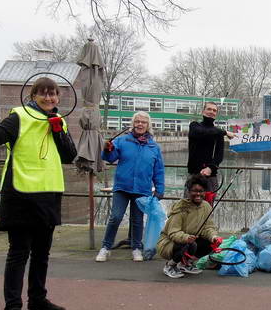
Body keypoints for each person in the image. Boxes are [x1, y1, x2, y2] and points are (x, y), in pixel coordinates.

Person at [0, 77, 77, 310]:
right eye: (43, 94)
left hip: (48, 192)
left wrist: (58, 131)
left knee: (42, 253)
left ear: (59, 97)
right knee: (18, 254)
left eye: (53, 94)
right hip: (21, 193)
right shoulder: (19, 116)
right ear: (34, 96)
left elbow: (69, 156)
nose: (49, 98)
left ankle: (37, 299)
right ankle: (12, 308)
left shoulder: (59, 120)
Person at [95, 111, 165, 262]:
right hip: (122, 187)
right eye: (137, 121)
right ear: (133, 124)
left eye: (143, 122)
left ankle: (136, 248)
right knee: (115, 217)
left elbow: (158, 170)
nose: (140, 124)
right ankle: (105, 247)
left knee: (137, 220)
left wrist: (160, 189)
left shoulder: (154, 147)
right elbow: (110, 158)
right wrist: (107, 149)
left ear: (148, 125)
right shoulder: (122, 141)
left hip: (142, 189)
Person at [157, 176, 224, 279]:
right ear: (188, 192)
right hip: (169, 243)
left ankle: (185, 264)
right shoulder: (180, 208)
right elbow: (173, 232)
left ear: (204, 192)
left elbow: (208, 227)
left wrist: (214, 237)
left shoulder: (206, 206)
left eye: (201, 191)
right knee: (189, 245)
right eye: (194, 191)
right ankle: (170, 266)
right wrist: (186, 238)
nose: (198, 194)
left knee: (209, 243)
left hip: (191, 241)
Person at [186, 101, 236, 199]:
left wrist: (210, 168)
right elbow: (202, 132)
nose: (211, 112)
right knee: (188, 208)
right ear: (203, 111)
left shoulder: (218, 132)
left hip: (210, 177)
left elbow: (219, 155)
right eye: (209, 109)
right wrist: (225, 132)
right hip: (194, 175)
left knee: (207, 209)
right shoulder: (194, 126)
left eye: (214, 110)